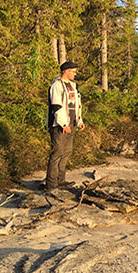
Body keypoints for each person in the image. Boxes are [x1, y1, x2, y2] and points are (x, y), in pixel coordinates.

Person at [42, 61, 84, 191]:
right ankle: (51, 183)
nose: (75, 74)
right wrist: (64, 124)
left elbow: (76, 105)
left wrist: (79, 120)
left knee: (66, 152)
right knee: (57, 152)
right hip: (59, 125)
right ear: (66, 71)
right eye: (73, 71)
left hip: (72, 123)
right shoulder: (56, 85)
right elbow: (56, 106)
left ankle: (61, 180)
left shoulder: (73, 86)